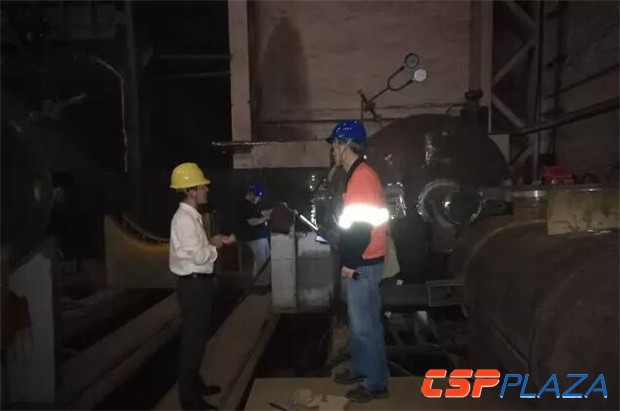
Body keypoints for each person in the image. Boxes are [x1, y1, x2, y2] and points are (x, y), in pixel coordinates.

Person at [327, 120, 390, 402]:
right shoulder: (358, 175)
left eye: (334, 145)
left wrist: (350, 262)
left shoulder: (361, 177)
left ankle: (374, 383)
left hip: (363, 262)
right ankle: (361, 369)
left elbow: (361, 228)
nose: (332, 151)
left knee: (366, 325)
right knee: (359, 322)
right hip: (365, 259)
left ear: (344, 145)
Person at [169, 162, 235, 411]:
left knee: (197, 339)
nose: (206, 189)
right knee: (192, 343)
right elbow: (198, 256)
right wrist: (215, 247)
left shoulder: (190, 217)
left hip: (197, 285)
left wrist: (210, 242)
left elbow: (195, 249)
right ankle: (189, 399)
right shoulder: (185, 220)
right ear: (190, 191)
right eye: (201, 186)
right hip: (194, 287)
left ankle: (195, 385)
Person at [240, 184, 272, 291]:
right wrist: (265, 218)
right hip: (254, 237)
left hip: (260, 237)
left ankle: (263, 283)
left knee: (264, 261)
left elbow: (258, 214)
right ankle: (259, 284)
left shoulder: (253, 205)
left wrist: (266, 213)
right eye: (257, 196)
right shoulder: (246, 205)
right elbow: (251, 221)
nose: (259, 199)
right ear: (251, 194)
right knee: (261, 261)